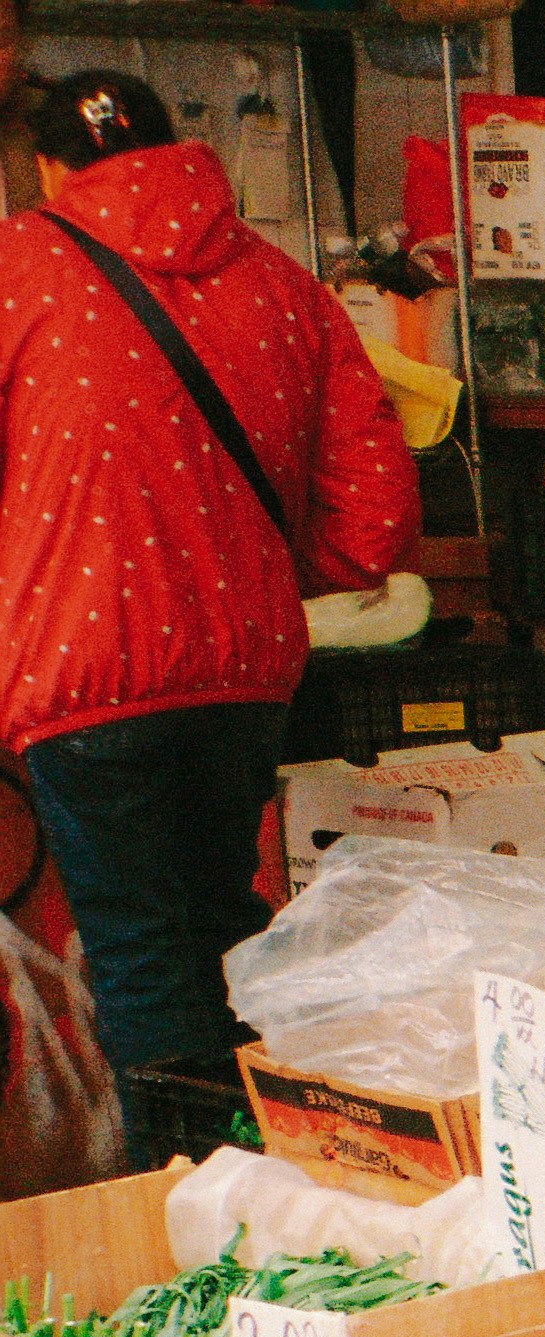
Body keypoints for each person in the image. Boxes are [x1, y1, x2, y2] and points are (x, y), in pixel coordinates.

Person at [0, 70, 417, 1141]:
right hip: (243, 669)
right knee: (227, 933)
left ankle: (181, 1210)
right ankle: (256, 1170)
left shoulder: (17, 268)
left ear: (49, 166)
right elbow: (373, 519)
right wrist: (256, 573)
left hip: (83, 674)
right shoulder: (286, 286)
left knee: (139, 953)